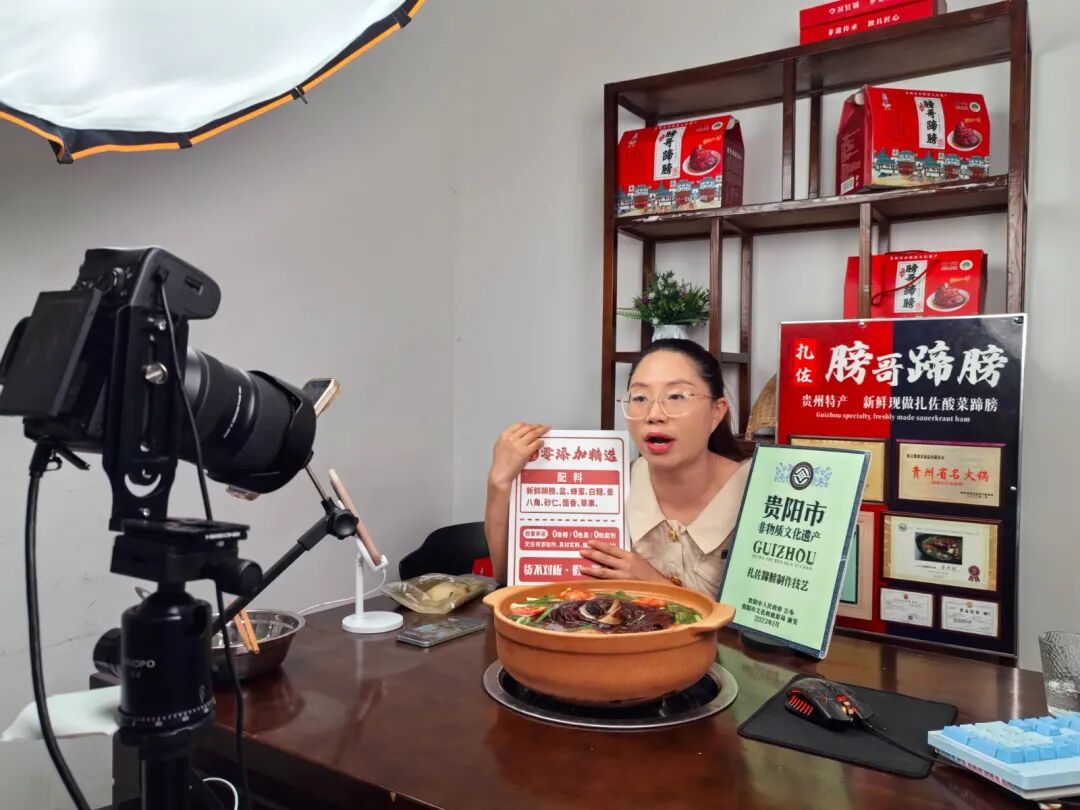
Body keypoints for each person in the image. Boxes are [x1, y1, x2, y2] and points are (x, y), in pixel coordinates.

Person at [483, 339, 750, 598]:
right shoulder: (602, 486)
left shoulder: (756, 492)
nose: (654, 414)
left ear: (716, 412)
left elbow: (760, 622)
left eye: (676, 396)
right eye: (640, 397)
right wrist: (500, 482)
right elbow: (510, 575)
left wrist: (653, 584)